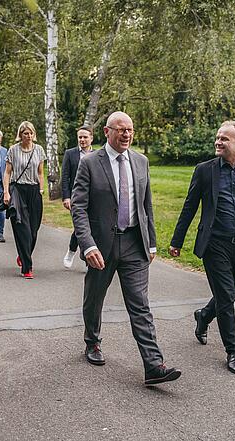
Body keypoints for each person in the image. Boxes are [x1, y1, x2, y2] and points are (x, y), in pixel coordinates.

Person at [71, 111, 181, 386]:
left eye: (130, 130)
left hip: (134, 242)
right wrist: (88, 245)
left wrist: (151, 242)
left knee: (140, 304)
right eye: (120, 130)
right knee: (94, 298)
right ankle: (92, 341)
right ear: (107, 132)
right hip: (102, 246)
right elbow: (79, 208)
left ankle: (154, 365)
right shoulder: (90, 163)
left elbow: (147, 206)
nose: (126, 134)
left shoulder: (141, 161)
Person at [169, 120, 235, 375]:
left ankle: (204, 316)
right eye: (218, 137)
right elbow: (189, 207)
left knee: (228, 293)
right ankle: (233, 351)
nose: (218, 142)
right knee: (227, 298)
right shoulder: (205, 170)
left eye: (224, 139)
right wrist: (177, 240)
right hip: (214, 243)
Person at [3, 121, 46, 279]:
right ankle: (27, 268)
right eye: (25, 133)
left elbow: (41, 172)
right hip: (18, 191)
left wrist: (41, 189)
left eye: (30, 133)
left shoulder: (39, 150)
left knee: (33, 230)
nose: (28, 136)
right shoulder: (13, 150)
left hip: (34, 191)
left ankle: (23, 254)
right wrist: (6, 192)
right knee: (23, 229)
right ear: (20, 135)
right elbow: (7, 173)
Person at [61, 125, 94, 269]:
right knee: (80, 227)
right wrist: (66, 197)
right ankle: (72, 251)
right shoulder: (70, 154)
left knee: (92, 227)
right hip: (76, 197)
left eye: (85, 137)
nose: (82, 139)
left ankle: (88, 260)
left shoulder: (98, 155)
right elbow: (65, 177)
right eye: (80, 137)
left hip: (94, 197)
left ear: (91, 138)